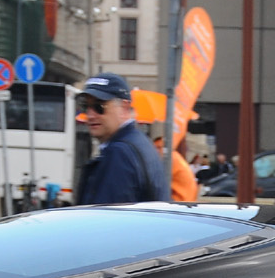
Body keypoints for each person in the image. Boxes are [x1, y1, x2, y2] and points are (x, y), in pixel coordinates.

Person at [76, 72, 168, 204]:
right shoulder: (138, 143)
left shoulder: (120, 153)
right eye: (86, 106)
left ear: (124, 108)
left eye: (99, 107)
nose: (90, 115)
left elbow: (106, 218)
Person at [151, 126, 198, 202]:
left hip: (179, 201)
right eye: (154, 148)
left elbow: (157, 181)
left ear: (166, 149)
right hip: (185, 199)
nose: (155, 151)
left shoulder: (170, 160)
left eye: (159, 147)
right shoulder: (175, 157)